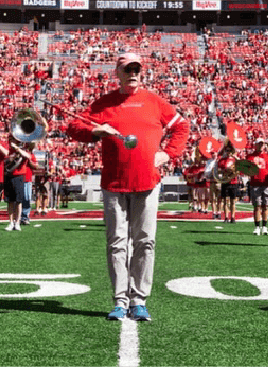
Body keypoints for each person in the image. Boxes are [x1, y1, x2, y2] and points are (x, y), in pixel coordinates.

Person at [66, 52, 190, 321]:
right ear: (118, 73)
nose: (133, 73)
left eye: (137, 68)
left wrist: (168, 153)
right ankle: (120, 300)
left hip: (147, 182)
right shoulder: (105, 103)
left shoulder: (155, 102)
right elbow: (73, 126)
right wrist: (97, 131)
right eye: (127, 69)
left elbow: (182, 127)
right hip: (114, 184)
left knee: (146, 242)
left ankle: (139, 299)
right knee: (117, 244)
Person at [3, 137, 36, 232]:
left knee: (18, 201)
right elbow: (4, 160)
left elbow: (28, 156)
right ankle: (10, 222)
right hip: (9, 175)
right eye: (12, 140)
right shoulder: (8, 149)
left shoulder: (23, 149)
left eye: (15, 140)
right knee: (10, 201)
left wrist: (17, 149)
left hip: (19, 176)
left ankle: (17, 222)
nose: (13, 142)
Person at [246, 138, 268, 236]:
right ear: (255, 145)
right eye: (259, 144)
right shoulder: (250, 157)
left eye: (262, 144)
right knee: (257, 206)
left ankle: (264, 226)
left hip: (266, 183)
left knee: (265, 206)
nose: (261, 145)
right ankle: (257, 226)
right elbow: (245, 169)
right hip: (255, 183)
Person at [217, 144, 241, 223]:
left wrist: (232, 170)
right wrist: (224, 171)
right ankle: (226, 217)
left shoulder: (235, 160)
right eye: (226, 151)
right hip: (225, 181)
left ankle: (233, 217)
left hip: (233, 182)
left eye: (229, 151)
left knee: (233, 201)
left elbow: (239, 168)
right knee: (225, 200)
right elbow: (218, 170)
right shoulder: (222, 160)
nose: (228, 152)